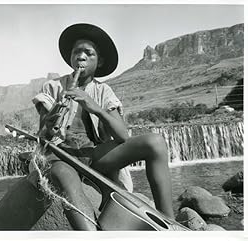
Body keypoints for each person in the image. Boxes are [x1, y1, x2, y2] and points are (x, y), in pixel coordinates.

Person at [32, 23, 174, 230]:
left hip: (94, 156)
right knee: (65, 176)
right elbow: (42, 135)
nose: (80, 56)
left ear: (99, 62)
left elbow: (123, 136)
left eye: (88, 53)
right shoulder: (52, 87)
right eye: (76, 52)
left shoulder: (104, 91)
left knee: (156, 142)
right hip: (59, 156)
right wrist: (54, 114)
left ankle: (169, 223)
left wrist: (94, 107)